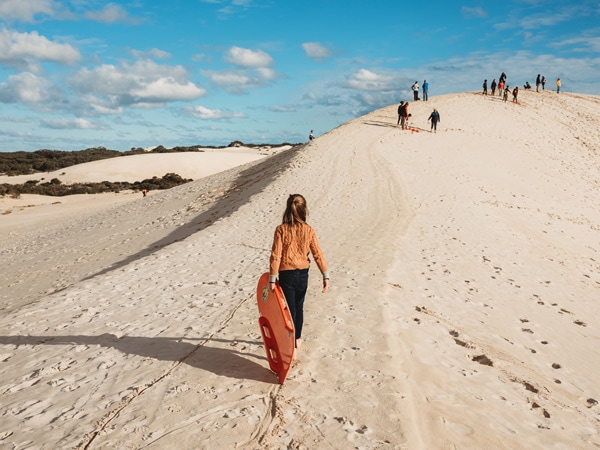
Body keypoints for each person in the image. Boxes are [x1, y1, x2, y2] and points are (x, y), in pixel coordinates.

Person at [269, 194, 329, 350]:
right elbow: (318, 253)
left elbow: (276, 255)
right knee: (299, 307)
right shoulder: (309, 230)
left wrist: (272, 278)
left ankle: (289, 341)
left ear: (288, 208)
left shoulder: (281, 230)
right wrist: (325, 275)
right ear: (304, 209)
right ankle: (297, 339)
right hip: (303, 273)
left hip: (286, 275)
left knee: (289, 310)